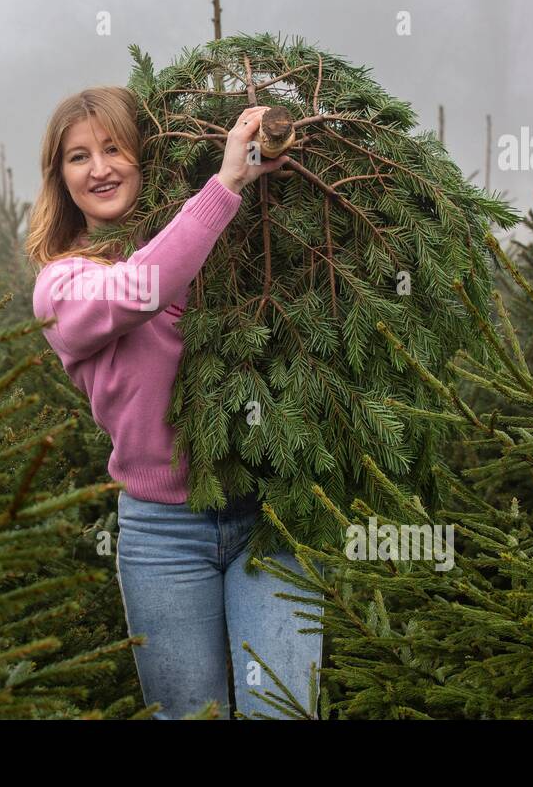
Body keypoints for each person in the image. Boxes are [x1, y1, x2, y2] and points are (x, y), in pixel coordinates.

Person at [26, 85, 324, 719]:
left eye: (113, 148)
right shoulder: (62, 284)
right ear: (61, 178)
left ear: (146, 153)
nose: (100, 168)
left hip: (268, 513)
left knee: (286, 712)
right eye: (79, 157)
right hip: (163, 534)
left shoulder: (210, 242)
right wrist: (224, 186)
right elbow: (141, 287)